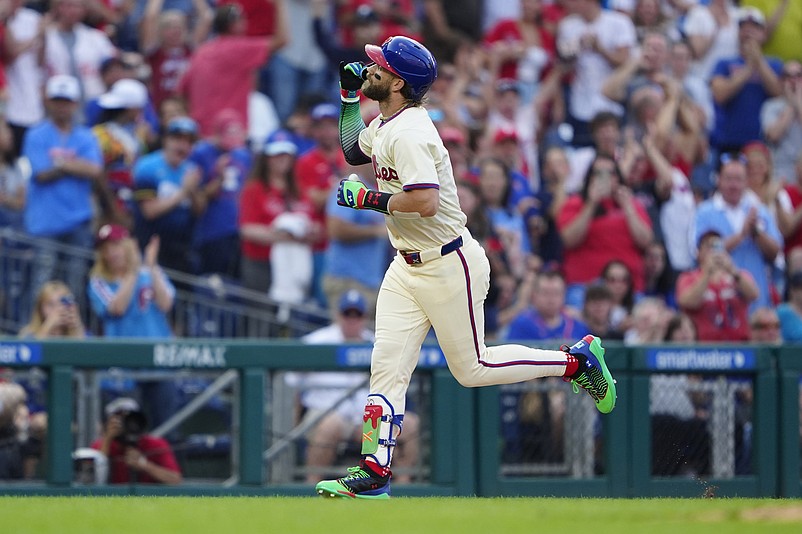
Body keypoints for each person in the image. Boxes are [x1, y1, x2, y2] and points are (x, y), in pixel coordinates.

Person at [314, 35, 616, 500]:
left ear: (399, 82)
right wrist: (349, 99)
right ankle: (375, 470)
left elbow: (427, 202)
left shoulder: (412, 132)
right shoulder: (390, 117)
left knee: (472, 368)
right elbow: (356, 152)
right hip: (406, 265)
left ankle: (575, 360)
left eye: (379, 67)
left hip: (449, 262)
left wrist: (367, 199)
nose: (370, 67)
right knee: (387, 366)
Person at [292, 290, 419, 483]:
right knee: (330, 425)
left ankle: (403, 489)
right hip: (329, 416)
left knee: (409, 424)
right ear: (337, 316)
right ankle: (312, 488)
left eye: (357, 315)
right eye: (347, 315)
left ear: (364, 318)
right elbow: (291, 381)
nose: (352, 321)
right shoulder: (316, 342)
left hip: (369, 419)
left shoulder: (379, 344)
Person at [23, 74, 103, 302]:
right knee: (43, 282)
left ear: (75, 103)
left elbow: (95, 170)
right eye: (57, 100)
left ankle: (69, 334)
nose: (61, 106)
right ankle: (36, 334)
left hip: (78, 220)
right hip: (45, 222)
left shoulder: (85, 136)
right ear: (48, 102)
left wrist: (60, 164)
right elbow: (41, 174)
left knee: (74, 284)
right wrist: (76, 165)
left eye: (66, 101)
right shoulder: (36, 134)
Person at [676, 230, 759, 342]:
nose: (713, 251)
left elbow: (753, 295)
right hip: (705, 347)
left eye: (717, 246)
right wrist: (706, 275)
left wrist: (732, 271)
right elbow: (688, 302)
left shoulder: (739, 275)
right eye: (708, 246)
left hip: (739, 344)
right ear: (699, 252)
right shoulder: (688, 277)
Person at [91, 397, 182, 484]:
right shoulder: (102, 445)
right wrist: (108, 439)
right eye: (119, 419)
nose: (127, 424)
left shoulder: (155, 444)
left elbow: (175, 480)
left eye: (130, 419)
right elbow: (91, 478)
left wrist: (144, 465)